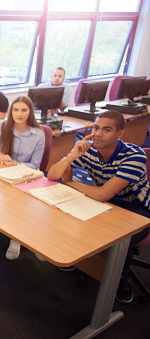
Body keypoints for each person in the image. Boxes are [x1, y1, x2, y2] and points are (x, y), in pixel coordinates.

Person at [47, 110, 150, 303]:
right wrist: (71, 156)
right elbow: (52, 175)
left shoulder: (134, 156)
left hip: (138, 209)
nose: (98, 134)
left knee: (120, 239)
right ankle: (83, 262)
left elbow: (103, 194)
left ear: (119, 134)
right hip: (107, 200)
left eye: (107, 129)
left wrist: (70, 182)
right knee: (71, 217)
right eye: (96, 128)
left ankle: (120, 279)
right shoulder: (88, 149)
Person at [0, 96, 45, 260]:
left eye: (24, 110)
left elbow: (35, 165)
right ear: (11, 111)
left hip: (26, 176)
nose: (19, 114)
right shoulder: (3, 126)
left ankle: (34, 241)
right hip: (2, 176)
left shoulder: (39, 134)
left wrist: (16, 163)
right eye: (16, 109)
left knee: (22, 205)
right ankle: (15, 238)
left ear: (30, 112)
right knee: (6, 203)